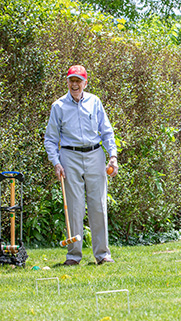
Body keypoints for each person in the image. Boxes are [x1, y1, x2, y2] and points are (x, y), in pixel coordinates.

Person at [45, 65, 119, 266]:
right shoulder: (58, 106)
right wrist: (56, 162)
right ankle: (73, 256)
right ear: (67, 82)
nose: (75, 84)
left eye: (79, 80)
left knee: (98, 205)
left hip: (95, 155)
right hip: (69, 156)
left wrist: (113, 156)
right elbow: (50, 139)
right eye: (72, 80)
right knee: (74, 208)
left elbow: (107, 132)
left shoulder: (95, 102)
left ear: (85, 83)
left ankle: (102, 254)